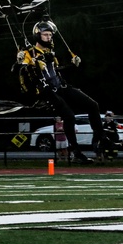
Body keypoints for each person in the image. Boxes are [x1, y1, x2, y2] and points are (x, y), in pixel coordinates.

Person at [16, 19, 102, 164]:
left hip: (61, 87)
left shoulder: (50, 53)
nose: (49, 37)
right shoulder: (28, 53)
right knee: (69, 117)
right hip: (46, 91)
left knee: (93, 105)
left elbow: (55, 72)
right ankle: (77, 153)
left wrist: (71, 65)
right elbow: (22, 71)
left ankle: (100, 139)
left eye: (50, 35)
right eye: (45, 35)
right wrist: (20, 62)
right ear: (38, 35)